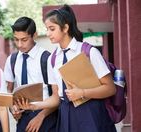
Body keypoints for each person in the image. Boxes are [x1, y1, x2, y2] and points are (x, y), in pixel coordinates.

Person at [42, 4, 117, 132]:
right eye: (47, 29)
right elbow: (55, 97)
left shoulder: (88, 52)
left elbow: (110, 88)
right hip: (66, 115)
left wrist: (82, 93)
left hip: (91, 113)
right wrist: (33, 105)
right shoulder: (52, 59)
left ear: (65, 27)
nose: (48, 33)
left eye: (52, 29)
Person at [4, 16, 59, 132]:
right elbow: (8, 90)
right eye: (16, 39)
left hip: (46, 117)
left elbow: (57, 96)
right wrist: (12, 109)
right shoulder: (12, 60)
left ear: (34, 35)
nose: (19, 44)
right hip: (23, 118)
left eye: (24, 40)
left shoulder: (47, 58)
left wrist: (41, 116)